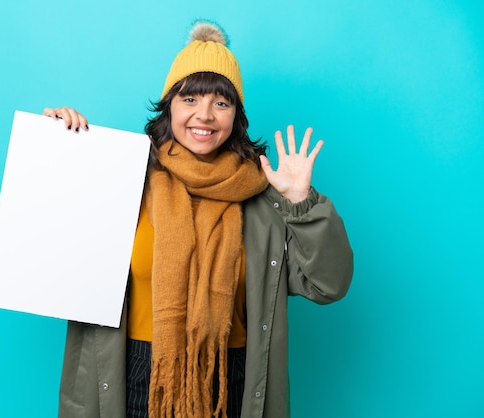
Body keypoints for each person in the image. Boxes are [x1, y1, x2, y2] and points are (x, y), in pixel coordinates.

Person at [43, 21, 353, 418]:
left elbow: (327, 285)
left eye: (220, 103)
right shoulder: (123, 182)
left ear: (236, 116)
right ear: (168, 105)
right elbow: (53, 259)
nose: (203, 115)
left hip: (230, 382)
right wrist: (56, 148)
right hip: (134, 377)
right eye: (189, 99)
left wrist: (301, 201)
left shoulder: (264, 202)